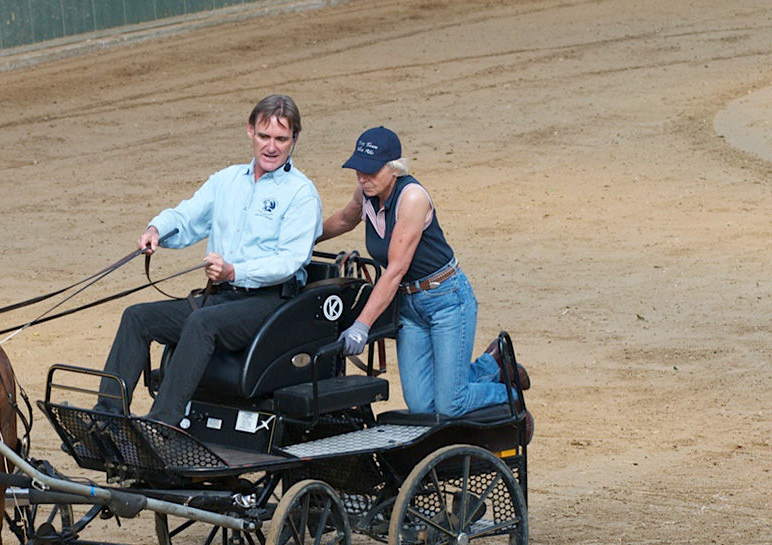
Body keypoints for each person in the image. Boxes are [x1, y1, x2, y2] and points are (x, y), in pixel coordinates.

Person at [94, 94, 322, 425]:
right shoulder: (226, 181)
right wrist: (157, 229)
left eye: (281, 139)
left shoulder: (301, 194)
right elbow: (187, 216)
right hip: (220, 299)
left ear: (294, 139)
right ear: (250, 132)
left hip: (270, 303)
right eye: (264, 136)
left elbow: (288, 261)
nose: (271, 147)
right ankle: (107, 420)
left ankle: (162, 423)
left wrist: (234, 271)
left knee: (202, 323)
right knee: (137, 317)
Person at [318, 126, 530, 424]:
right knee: (421, 407)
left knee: (450, 405)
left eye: (370, 171)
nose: (363, 177)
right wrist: (304, 243)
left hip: (446, 299)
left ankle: (508, 396)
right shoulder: (366, 192)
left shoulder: (412, 198)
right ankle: (491, 364)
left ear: (394, 169)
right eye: (358, 171)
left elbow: (395, 270)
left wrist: (361, 326)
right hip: (408, 305)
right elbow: (343, 219)